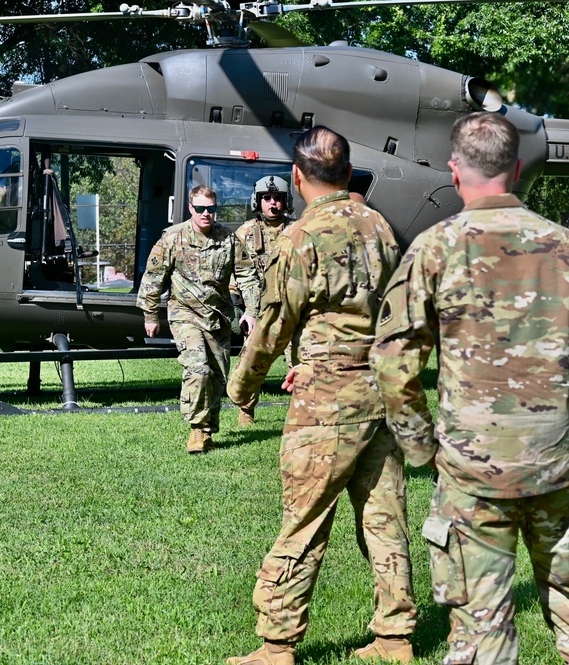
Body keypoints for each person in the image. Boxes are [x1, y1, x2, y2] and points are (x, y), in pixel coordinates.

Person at [371, 112, 569, 665]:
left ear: (455, 171)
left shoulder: (434, 248)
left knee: (481, 622)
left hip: (471, 468)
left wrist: (421, 448)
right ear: (515, 169)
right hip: (558, 461)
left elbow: (394, 361)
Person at [226, 126, 417, 665]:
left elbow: (271, 323)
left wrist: (243, 387)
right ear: (348, 171)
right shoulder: (379, 226)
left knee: (305, 516)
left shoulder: (300, 236)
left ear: (296, 176)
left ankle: (277, 644)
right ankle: (395, 638)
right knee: (384, 518)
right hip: (381, 389)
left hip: (327, 395)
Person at [137, 184, 262, 454]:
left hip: (217, 317)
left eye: (211, 209)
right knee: (198, 369)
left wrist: (251, 311)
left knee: (217, 378)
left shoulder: (228, 239)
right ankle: (195, 429)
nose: (206, 214)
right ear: (191, 208)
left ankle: (206, 431)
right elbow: (153, 278)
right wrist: (150, 314)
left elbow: (248, 276)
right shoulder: (172, 238)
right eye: (201, 209)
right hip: (184, 314)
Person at [230, 174, 294, 426]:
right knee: (252, 363)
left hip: (292, 310)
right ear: (258, 201)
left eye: (277, 198)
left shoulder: (297, 230)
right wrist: (240, 307)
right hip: (259, 310)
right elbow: (235, 273)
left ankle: (301, 414)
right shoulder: (245, 232)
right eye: (267, 198)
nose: (272, 203)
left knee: (299, 362)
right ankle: (246, 412)